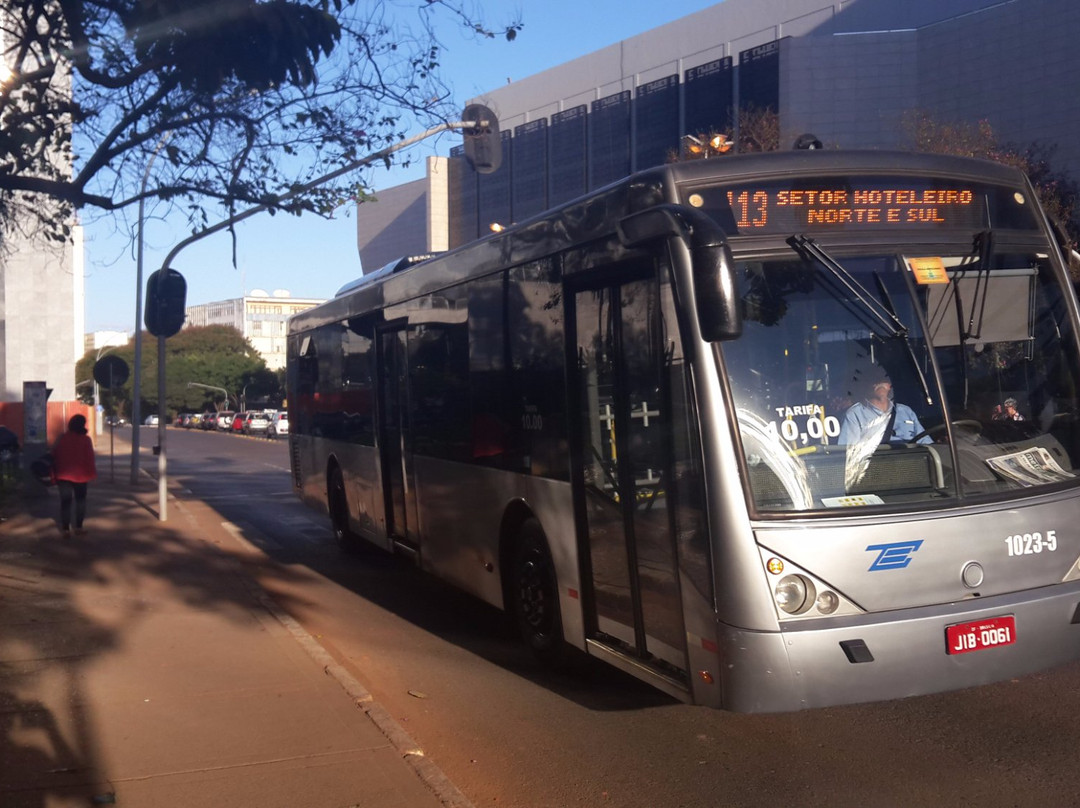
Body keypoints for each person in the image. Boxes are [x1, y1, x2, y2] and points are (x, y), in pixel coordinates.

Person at [839, 363, 932, 446]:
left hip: (912, 462)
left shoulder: (906, 411)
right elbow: (849, 453)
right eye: (874, 380)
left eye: (883, 380)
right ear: (866, 385)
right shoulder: (855, 415)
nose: (880, 384)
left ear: (890, 385)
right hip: (877, 464)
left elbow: (927, 444)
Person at [51, 414, 97, 537]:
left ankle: (66, 529)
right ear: (83, 425)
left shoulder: (61, 438)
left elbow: (53, 453)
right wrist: (92, 474)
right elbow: (90, 459)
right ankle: (79, 527)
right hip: (81, 476)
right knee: (80, 501)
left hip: (63, 474)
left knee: (65, 502)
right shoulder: (86, 439)